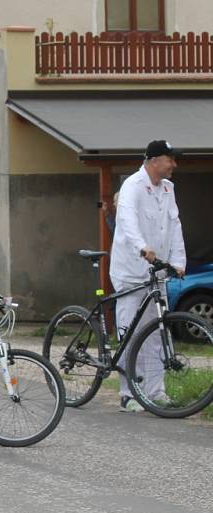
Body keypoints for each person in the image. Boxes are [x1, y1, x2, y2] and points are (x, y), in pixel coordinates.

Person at [110, 140, 186, 413]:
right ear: (154, 160)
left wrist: (178, 261)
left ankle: (156, 391)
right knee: (130, 330)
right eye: (170, 159)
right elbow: (127, 220)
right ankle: (128, 393)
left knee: (157, 331)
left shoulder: (168, 189)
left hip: (158, 272)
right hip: (132, 269)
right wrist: (143, 247)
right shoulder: (132, 185)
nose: (174, 164)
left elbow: (174, 224)